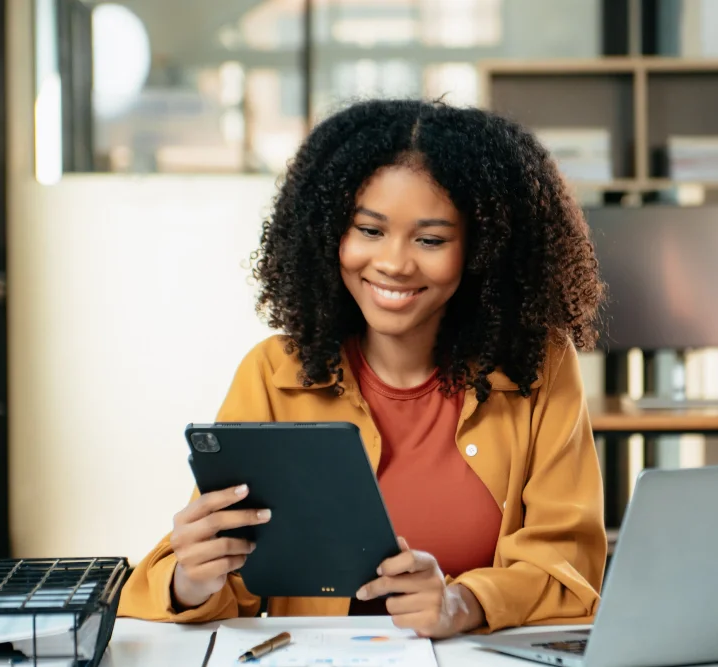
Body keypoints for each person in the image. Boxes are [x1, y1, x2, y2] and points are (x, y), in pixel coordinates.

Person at [117, 98, 608, 638]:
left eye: (430, 239)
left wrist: (461, 603)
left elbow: (570, 570)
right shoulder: (273, 373)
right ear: (328, 234)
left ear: (483, 250)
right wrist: (192, 579)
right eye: (369, 230)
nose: (394, 263)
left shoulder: (539, 368)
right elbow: (212, 581)